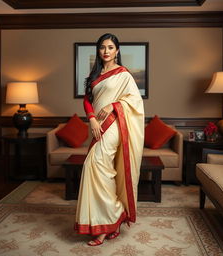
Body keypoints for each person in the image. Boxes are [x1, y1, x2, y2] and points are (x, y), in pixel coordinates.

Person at [74, 33, 144, 246]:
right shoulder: (96, 74)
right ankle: (113, 217)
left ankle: (108, 222)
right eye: (102, 47)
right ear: (98, 50)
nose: (106, 51)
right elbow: (87, 100)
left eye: (110, 47)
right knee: (98, 170)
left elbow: (134, 100)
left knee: (96, 165)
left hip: (114, 125)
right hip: (97, 126)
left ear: (117, 51)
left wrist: (112, 105)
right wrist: (92, 119)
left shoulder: (123, 74)